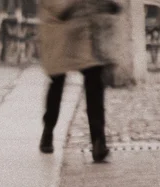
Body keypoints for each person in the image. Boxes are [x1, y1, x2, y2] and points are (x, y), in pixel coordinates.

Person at [38, 0, 122, 162]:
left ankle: (98, 141)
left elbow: (113, 7)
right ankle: (48, 130)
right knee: (57, 81)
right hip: (58, 30)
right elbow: (60, 10)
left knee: (94, 81)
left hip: (84, 31)